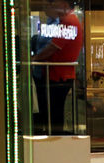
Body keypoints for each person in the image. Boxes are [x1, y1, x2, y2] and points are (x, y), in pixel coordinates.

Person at [32, 0, 83, 135]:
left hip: (57, 75)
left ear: (64, 5)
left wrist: (35, 59)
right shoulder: (68, 21)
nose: (51, 7)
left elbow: (53, 47)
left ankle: (55, 140)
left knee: (53, 112)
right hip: (58, 74)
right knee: (53, 111)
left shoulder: (68, 22)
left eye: (54, 4)